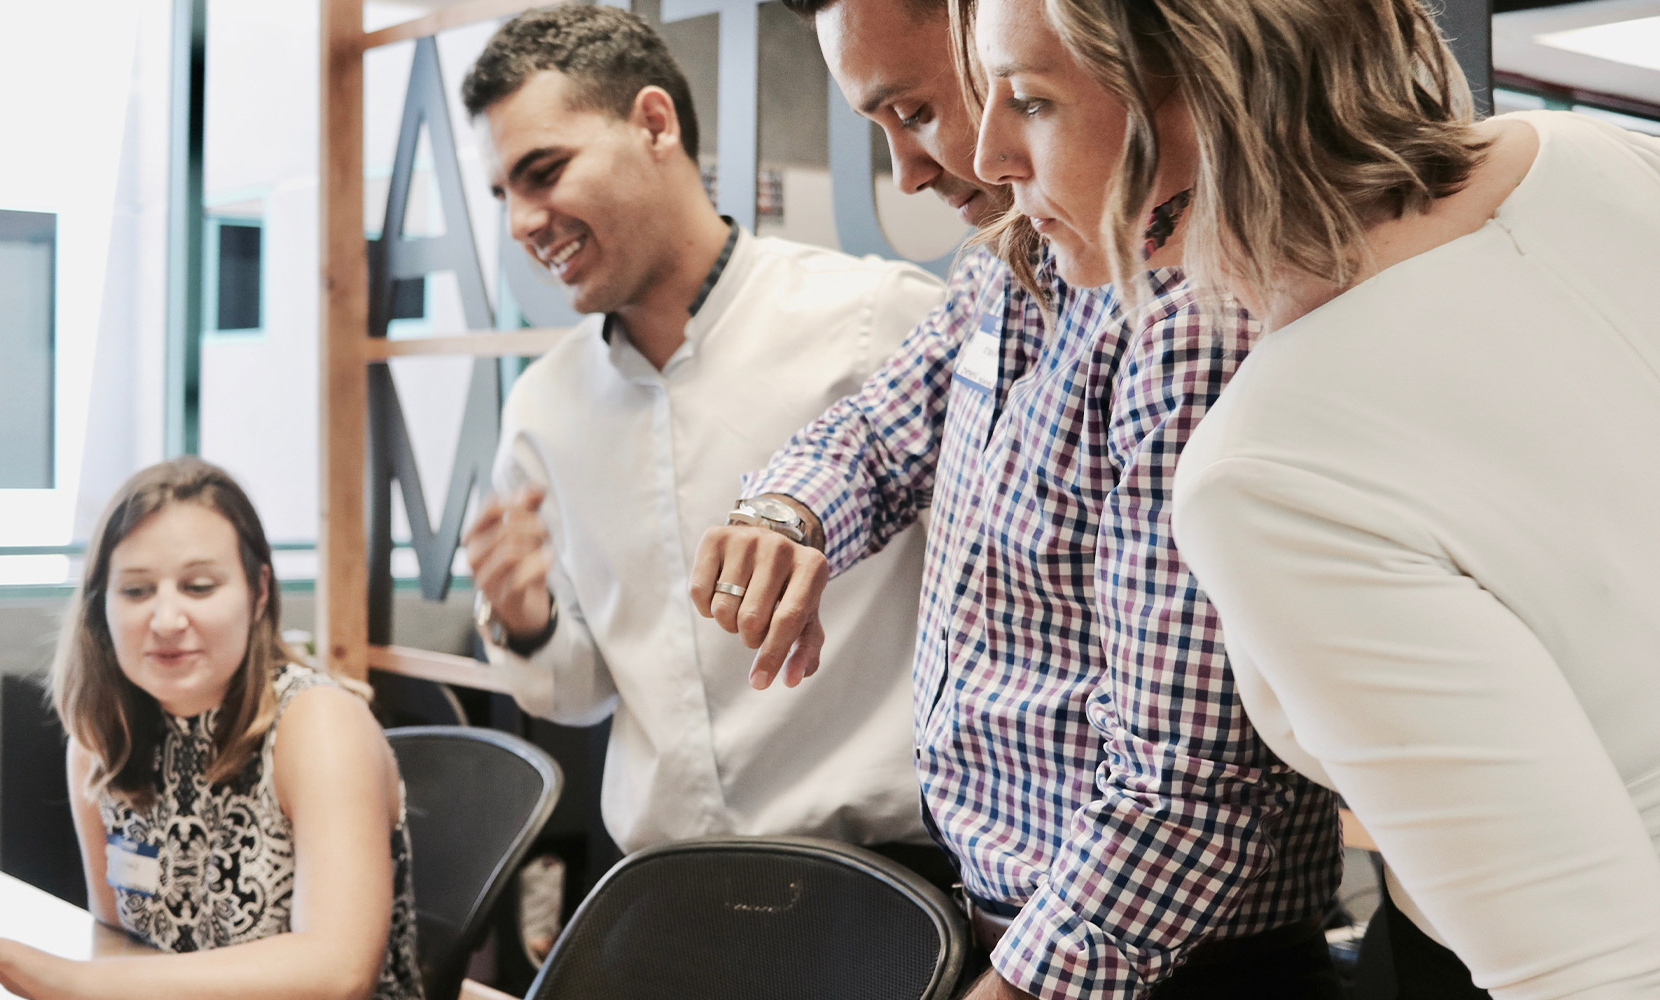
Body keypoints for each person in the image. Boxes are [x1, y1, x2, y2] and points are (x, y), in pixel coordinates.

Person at [962, 0, 1660, 996]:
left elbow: (1593, 969)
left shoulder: (1268, 470)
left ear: (1213, 88)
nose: (989, 155)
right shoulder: (1591, 157)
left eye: (1030, 101)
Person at [692, 0, 1348, 995]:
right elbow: (877, 428)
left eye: (915, 111)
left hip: (1162, 967)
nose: (913, 171)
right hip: (1013, 927)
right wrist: (786, 514)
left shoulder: (1194, 312)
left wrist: (1028, 981)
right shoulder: (1022, 257)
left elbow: (1190, 782)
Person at [451, 2, 946, 876]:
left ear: (653, 122)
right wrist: (523, 620)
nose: (525, 222)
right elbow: (578, 690)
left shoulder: (878, 322)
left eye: (544, 171)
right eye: (505, 195)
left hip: (883, 882)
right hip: (664, 893)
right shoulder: (544, 407)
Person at [0, 458, 422, 1000]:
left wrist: (77, 982)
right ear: (99, 605)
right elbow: (122, 948)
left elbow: (339, 971)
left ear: (258, 592)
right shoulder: (101, 740)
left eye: (199, 587)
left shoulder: (318, 722)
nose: (167, 620)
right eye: (136, 591)